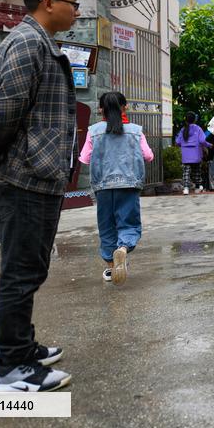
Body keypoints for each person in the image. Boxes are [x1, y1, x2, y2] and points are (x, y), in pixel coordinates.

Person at [0, 0, 77, 392]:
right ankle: (9, 366)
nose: (77, 11)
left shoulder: (37, 42)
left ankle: (20, 345)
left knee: (30, 267)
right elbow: (2, 109)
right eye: (73, 3)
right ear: (47, 3)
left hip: (38, 175)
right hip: (24, 176)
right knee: (20, 270)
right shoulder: (27, 43)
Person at [78, 91, 154, 285]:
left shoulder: (93, 130)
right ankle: (123, 249)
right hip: (129, 185)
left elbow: (85, 158)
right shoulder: (136, 131)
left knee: (106, 224)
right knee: (128, 222)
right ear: (125, 107)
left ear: (101, 109)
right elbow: (148, 156)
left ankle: (112, 267)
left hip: (102, 186)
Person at [175, 112, 209, 195]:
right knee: (197, 170)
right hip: (196, 154)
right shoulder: (198, 129)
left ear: (186, 120)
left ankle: (186, 188)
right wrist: (209, 145)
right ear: (195, 119)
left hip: (186, 155)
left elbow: (178, 141)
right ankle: (197, 187)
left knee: (186, 171)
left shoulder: (183, 130)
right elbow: (202, 141)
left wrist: (184, 145)